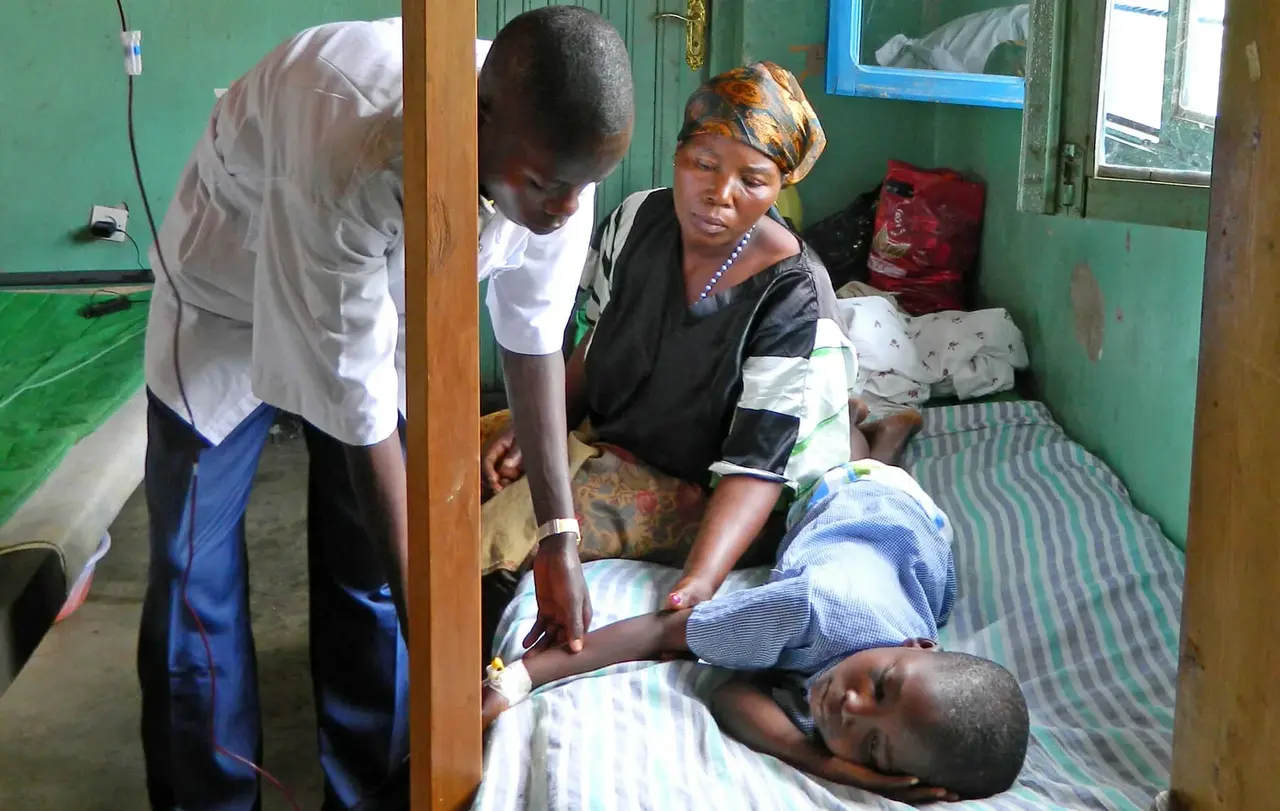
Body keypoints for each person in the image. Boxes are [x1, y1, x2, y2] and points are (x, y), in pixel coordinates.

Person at [138, 9, 633, 810]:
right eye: (548, 186)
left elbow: (534, 331)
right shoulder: (353, 148)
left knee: (369, 565)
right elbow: (357, 411)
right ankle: (208, 796)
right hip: (226, 306)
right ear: (478, 119)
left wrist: (558, 534)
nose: (568, 208)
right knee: (193, 574)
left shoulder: (561, 140)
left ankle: (367, 793)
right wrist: (438, 648)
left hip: (383, 306)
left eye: (583, 186)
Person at [480, 409, 1030, 803]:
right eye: (881, 686)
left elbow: (732, 695)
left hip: (922, 556)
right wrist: (515, 681)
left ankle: (885, 437)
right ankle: (867, 429)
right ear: (917, 646)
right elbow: (662, 631)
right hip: (859, 505)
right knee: (843, 461)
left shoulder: (887, 704)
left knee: (876, 475)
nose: (850, 707)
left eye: (875, 748)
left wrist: (822, 760)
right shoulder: (808, 608)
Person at [479, 62, 857, 628]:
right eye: (703, 164)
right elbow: (595, 342)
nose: (719, 195)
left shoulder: (793, 296)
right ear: (678, 154)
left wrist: (699, 582)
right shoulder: (637, 220)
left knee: (508, 531)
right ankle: (870, 429)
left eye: (753, 181)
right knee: (458, 462)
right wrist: (538, 426)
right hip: (609, 439)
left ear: (780, 187)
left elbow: (757, 467)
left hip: (709, 492)